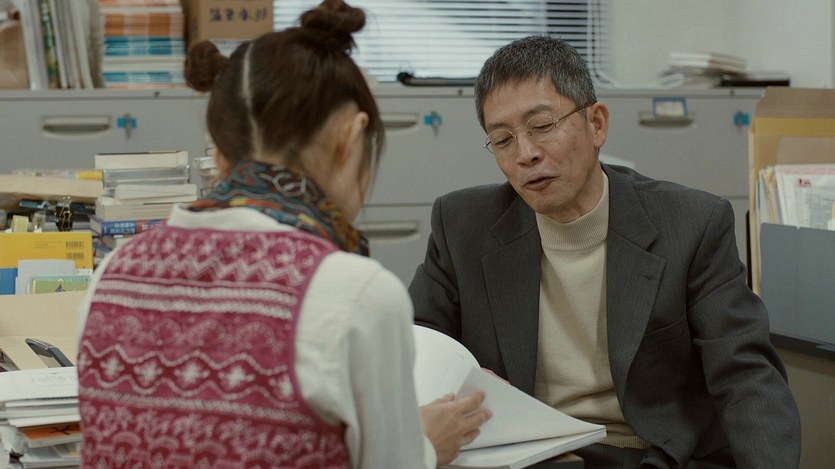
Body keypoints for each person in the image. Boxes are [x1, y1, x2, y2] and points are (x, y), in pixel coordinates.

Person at [75, 1, 489, 467]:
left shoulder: (112, 273)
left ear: (221, 154)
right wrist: (425, 446)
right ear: (350, 137)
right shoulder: (355, 293)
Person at [409, 35, 801, 469]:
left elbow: (745, 373)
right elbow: (415, 348)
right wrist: (453, 378)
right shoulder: (463, 225)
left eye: (542, 126)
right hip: (524, 456)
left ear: (596, 124)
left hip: (647, 455)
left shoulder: (691, 224)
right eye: (502, 140)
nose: (526, 154)